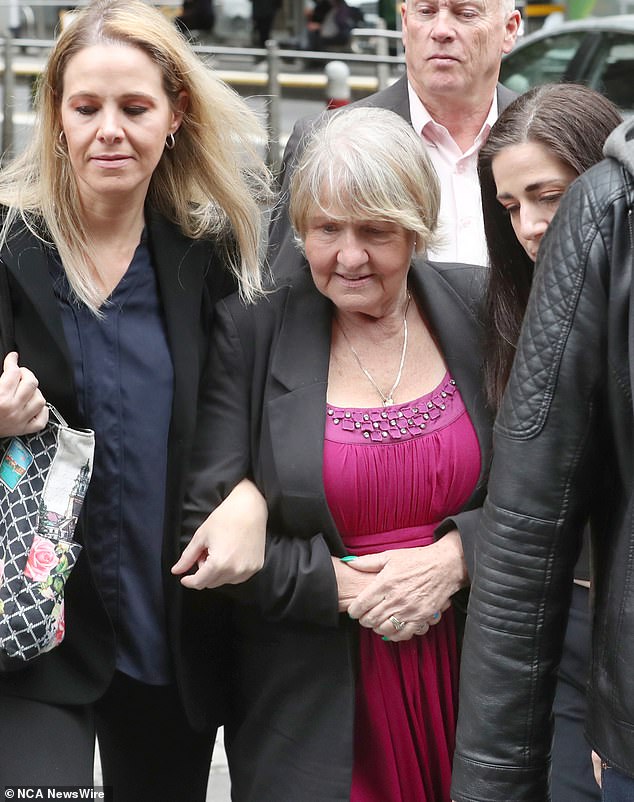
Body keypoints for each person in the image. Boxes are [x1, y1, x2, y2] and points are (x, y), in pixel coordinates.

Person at [180, 105, 493, 802]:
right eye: (326, 230)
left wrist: (456, 559)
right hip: (314, 702)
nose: (349, 257)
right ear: (300, 230)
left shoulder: (480, 308)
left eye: (376, 232)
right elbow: (200, 538)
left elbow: (541, 495)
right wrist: (349, 590)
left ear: (416, 227)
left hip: (469, 681)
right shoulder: (252, 329)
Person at [0, 0, 270, 798]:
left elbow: (266, 413)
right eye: (86, 108)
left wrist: (252, 493)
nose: (108, 130)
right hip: (29, 627)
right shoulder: (10, 248)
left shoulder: (215, 260)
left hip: (171, 631)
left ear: (175, 116)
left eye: (135, 107)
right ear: (56, 116)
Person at [450, 115, 634, 799]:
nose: (529, 224)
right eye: (509, 206)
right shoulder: (499, 312)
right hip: (557, 630)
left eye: (548, 196)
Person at [268, 0, 522, 272]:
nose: (441, 30)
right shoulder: (323, 142)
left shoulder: (547, 140)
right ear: (404, 23)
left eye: (466, 14)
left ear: (509, 30)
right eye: (426, 12)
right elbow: (284, 294)